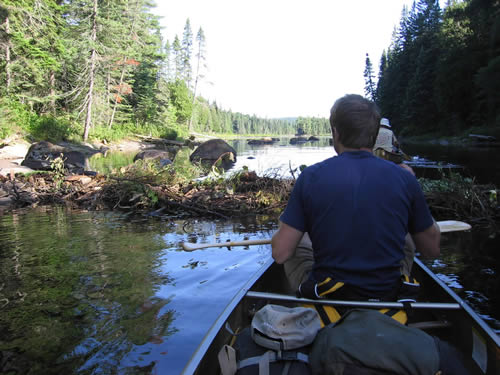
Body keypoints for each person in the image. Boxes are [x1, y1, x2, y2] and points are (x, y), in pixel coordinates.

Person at [272, 94, 440, 303]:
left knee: (293, 237)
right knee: (408, 232)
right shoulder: (405, 178)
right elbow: (432, 250)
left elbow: (280, 253)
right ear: (375, 133)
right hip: (388, 297)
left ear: (336, 133)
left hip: (329, 298)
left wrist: (289, 226)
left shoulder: (310, 177)